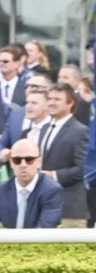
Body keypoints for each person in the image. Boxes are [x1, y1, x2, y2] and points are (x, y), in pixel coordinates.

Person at [0, 138, 62, 228]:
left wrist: (2, 236)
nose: (23, 165)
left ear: (38, 162)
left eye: (29, 159)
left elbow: (45, 229)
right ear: (11, 163)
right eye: (17, 160)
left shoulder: (52, 191)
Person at [39, 83, 89, 228]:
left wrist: (53, 175)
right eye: (50, 98)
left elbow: (82, 169)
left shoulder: (80, 131)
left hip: (70, 210)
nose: (51, 103)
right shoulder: (44, 128)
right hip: (46, 207)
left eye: (57, 99)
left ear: (70, 103)